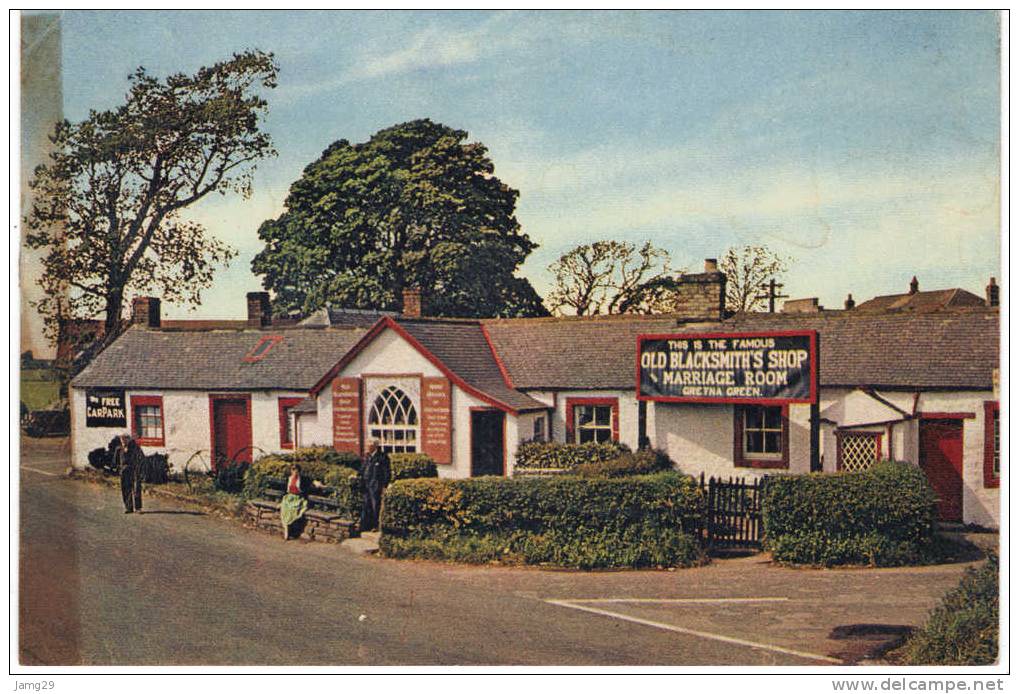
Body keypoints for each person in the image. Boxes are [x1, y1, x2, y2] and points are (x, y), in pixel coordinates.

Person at [279, 464, 324, 540]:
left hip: (298, 498)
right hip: (288, 498)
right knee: (284, 509)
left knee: (293, 510)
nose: (294, 471)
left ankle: (289, 527)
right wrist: (281, 501)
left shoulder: (302, 479)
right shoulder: (289, 479)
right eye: (293, 470)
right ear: (291, 471)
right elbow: (284, 490)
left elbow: (312, 481)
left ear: (299, 471)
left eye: (296, 470)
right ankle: (286, 529)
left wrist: (318, 485)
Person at [360, 438, 391, 532]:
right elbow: (363, 469)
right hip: (366, 485)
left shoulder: (382, 457)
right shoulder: (367, 456)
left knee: (375, 506)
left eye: (369, 444)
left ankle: (375, 526)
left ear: (375, 446)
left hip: (376, 485)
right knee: (366, 505)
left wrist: (385, 485)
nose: (367, 446)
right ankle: (365, 525)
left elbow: (387, 472)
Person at [115, 434, 145, 514]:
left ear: (128, 440)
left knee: (136, 489)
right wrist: (119, 468)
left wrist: (139, 469)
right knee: (126, 489)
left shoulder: (135, 448)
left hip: (134, 470)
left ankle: (138, 508)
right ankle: (129, 507)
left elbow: (142, 458)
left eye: (125, 440)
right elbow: (116, 461)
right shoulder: (119, 449)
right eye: (122, 440)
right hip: (124, 471)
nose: (123, 442)